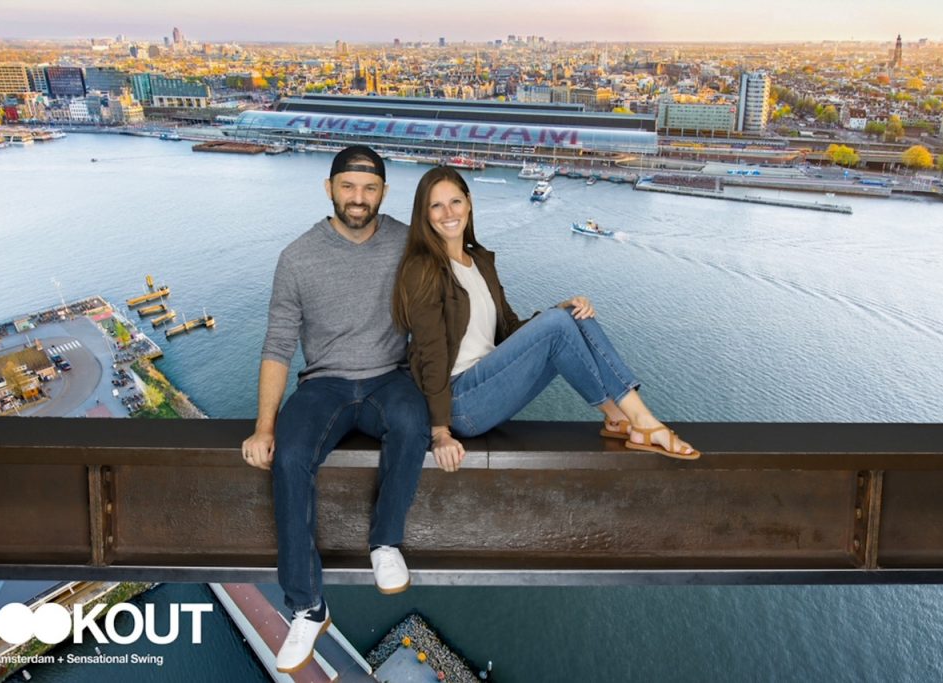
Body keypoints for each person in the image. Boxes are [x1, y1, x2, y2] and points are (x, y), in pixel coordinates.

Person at [241, 146, 430, 674]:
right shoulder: (298, 257)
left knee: (412, 423)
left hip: (388, 377)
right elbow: (278, 343)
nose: (358, 198)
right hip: (323, 383)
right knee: (290, 454)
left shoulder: (405, 241)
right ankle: (308, 605)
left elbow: (456, 284)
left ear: (384, 195)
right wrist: (262, 427)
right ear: (329, 188)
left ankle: (385, 542)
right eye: (348, 187)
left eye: (369, 189)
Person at [392, 166, 698, 472]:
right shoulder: (423, 269)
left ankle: (617, 417)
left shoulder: (480, 261)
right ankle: (643, 420)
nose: (448, 212)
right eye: (436, 205)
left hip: (490, 382)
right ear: (425, 214)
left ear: (469, 202)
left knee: (573, 314)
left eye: (455, 202)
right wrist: (440, 433)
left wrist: (560, 308)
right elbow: (431, 354)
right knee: (556, 323)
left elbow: (509, 330)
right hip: (460, 404)